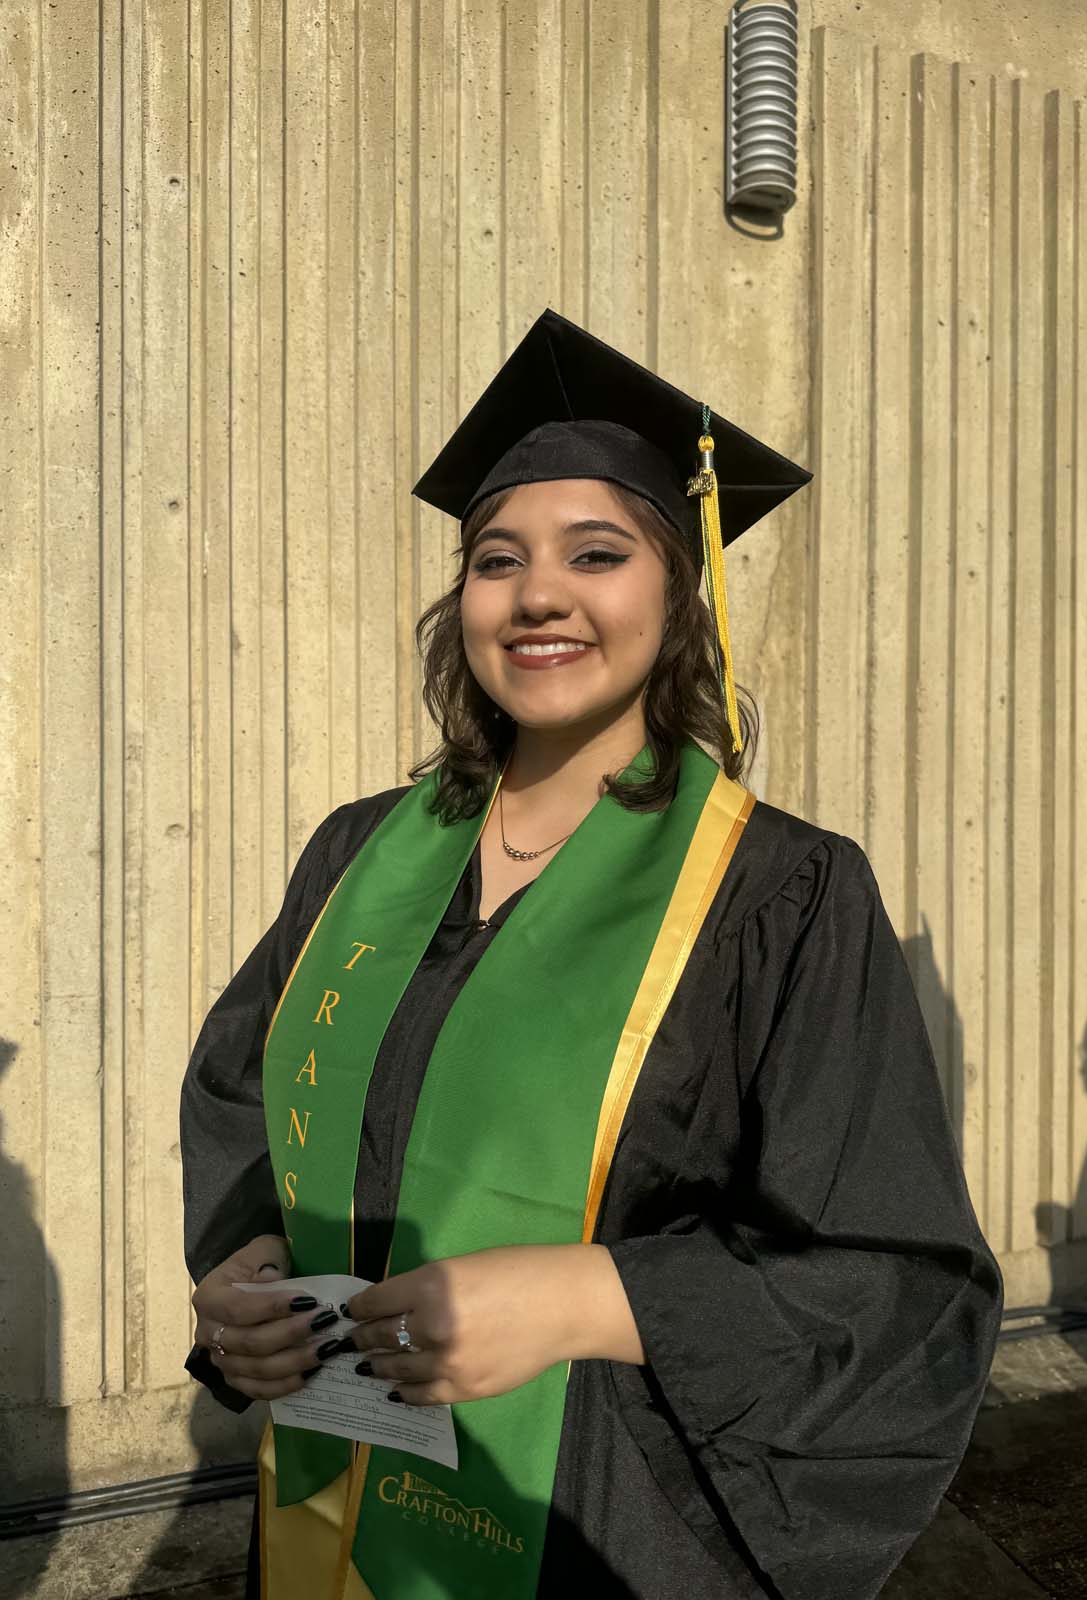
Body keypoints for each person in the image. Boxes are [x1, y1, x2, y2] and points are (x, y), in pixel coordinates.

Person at [180, 307, 1004, 1600]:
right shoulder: (360, 860)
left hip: (611, 1536)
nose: (540, 594)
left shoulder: (780, 896)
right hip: (331, 1517)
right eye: (497, 560)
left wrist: (588, 1302)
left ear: (677, 593)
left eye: (598, 552)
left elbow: (894, 1289)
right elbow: (241, 1091)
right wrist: (242, 1268)